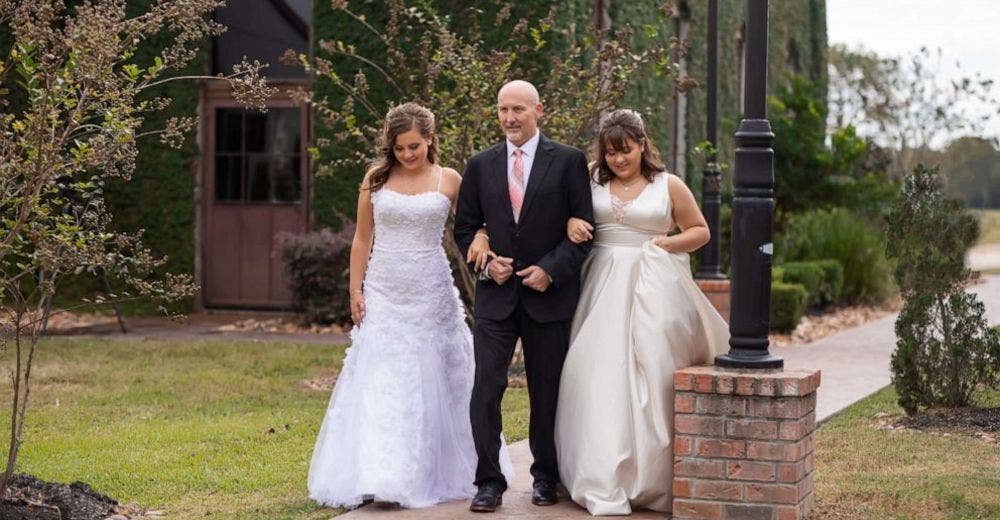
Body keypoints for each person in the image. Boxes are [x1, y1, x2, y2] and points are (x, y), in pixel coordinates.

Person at [308, 102, 511, 509]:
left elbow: (475, 224)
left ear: (430, 140)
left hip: (432, 291)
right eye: (400, 148)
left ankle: (438, 469)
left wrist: (485, 242)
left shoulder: (450, 179)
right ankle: (380, 473)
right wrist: (356, 290)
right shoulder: (376, 178)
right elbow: (362, 239)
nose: (407, 155)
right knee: (384, 379)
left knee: (443, 379)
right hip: (384, 289)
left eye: (414, 146)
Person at [555, 109, 729, 515]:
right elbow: (566, 214)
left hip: (653, 285)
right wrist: (569, 225)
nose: (619, 160)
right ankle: (597, 471)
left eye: (626, 151)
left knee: (650, 372)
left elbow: (700, 230)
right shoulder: (590, 178)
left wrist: (666, 244)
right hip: (600, 283)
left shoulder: (669, 184)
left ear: (642, 145)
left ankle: (648, 477)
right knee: (596, 373)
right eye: (611, 152)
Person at [454, 80, 594, 512]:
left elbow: (585, 232)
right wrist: (485, 260)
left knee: (546, 391)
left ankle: (546, 477)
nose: (509, 118)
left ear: (538, 110)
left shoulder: (569, 161)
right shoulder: (480, 165)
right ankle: (488, 481)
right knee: (485, 390)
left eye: (517, 109)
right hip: (496, 298)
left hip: (548, 299)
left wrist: (551, 271)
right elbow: (465, 228)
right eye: (502, 110)